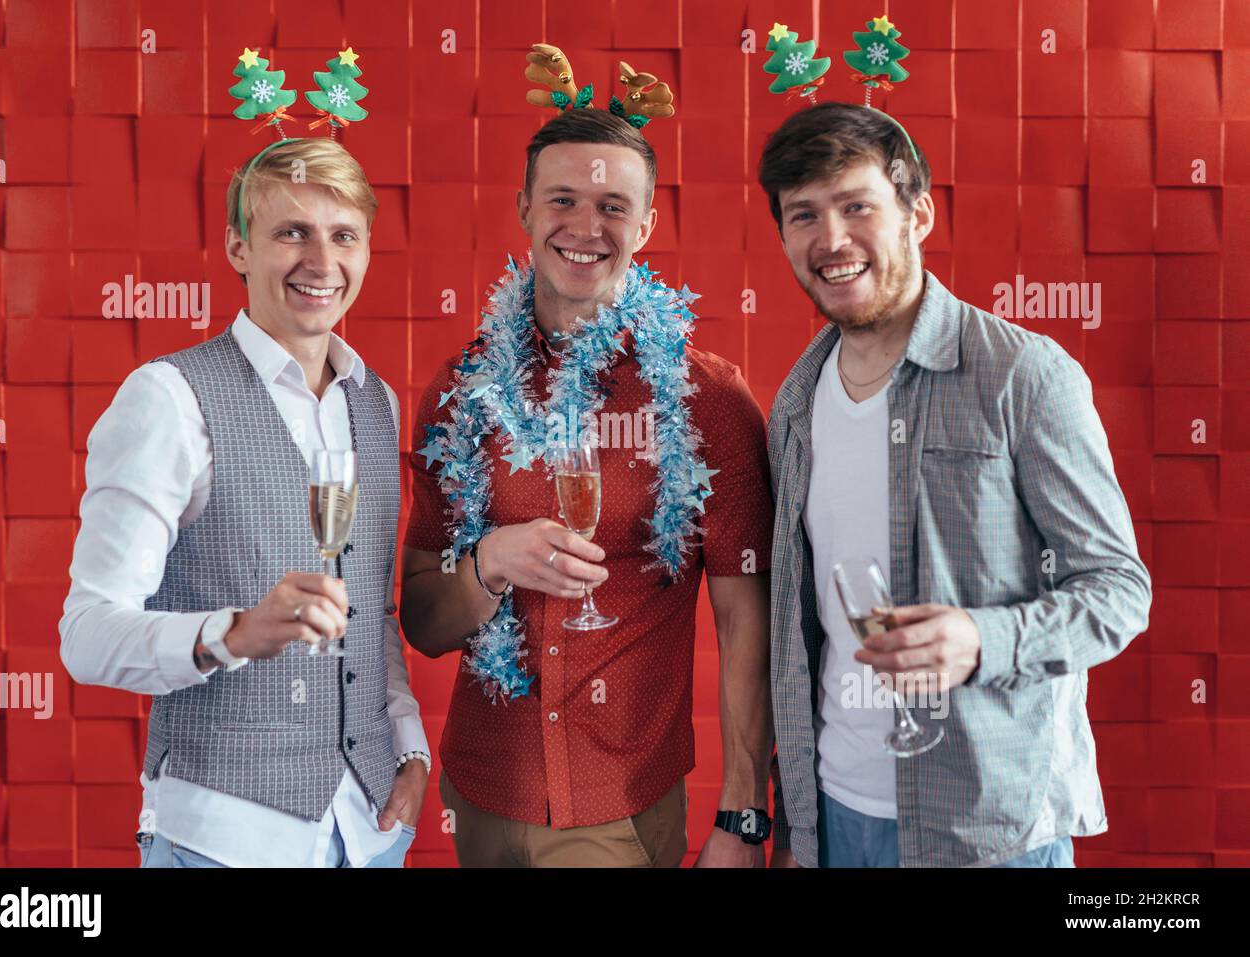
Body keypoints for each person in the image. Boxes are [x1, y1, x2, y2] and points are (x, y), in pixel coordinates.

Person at [758, 102, 1151, 867]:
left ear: (919, 214)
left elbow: (1118, 590)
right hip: (833, 815)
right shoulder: (796, 404)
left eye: (857, 205)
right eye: (803, 215)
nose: (831, 239)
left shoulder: (1023, 376)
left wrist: (982, 639)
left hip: (988, 827)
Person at [401, 105, 776, 867]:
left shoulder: (707, 399)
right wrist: (487, 565)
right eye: (563, 199)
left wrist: (743, 814)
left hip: (618, 809)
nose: (585, 225)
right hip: (479, 789)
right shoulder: (461, 393)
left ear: (645, 225)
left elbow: (747, 624)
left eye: (612, 206)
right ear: (525, 211)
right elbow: (422, 618)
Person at [59, 137, 430, 867]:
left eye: (343, 235)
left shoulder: (379, 404)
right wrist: (233, 632)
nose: (321, 262)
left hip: (370, 832)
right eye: (292, 231)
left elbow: (369, 615)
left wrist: (410, 747)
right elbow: (86, 636)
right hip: (224, 837)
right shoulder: (167, 399)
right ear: (238, 246)